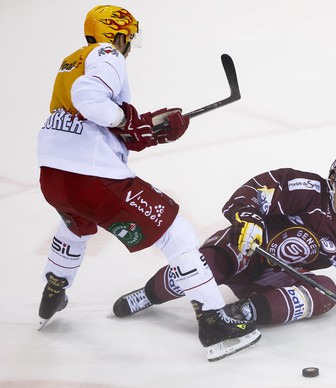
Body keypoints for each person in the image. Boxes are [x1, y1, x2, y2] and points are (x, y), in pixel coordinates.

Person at [36, 5, 260, 361]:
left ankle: (55, 286)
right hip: (94, 179)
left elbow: (93, 123)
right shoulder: (107, 54)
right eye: (128, 38)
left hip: (54, 177)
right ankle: (215, 322)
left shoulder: (72, 60)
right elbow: (90, 100)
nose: (129, 46)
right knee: (180, 236)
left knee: (77, 227)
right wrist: (128, 118)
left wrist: (149, 129)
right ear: (117, 34)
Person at [112, 151, 336, 330]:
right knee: (209, 264)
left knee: (327, 290)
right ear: (333, 180)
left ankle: (243, 312)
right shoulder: (304, 187)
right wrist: (250, 221)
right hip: (244, 251)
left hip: (275, 277)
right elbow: (247, 196)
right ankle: (149, 294)